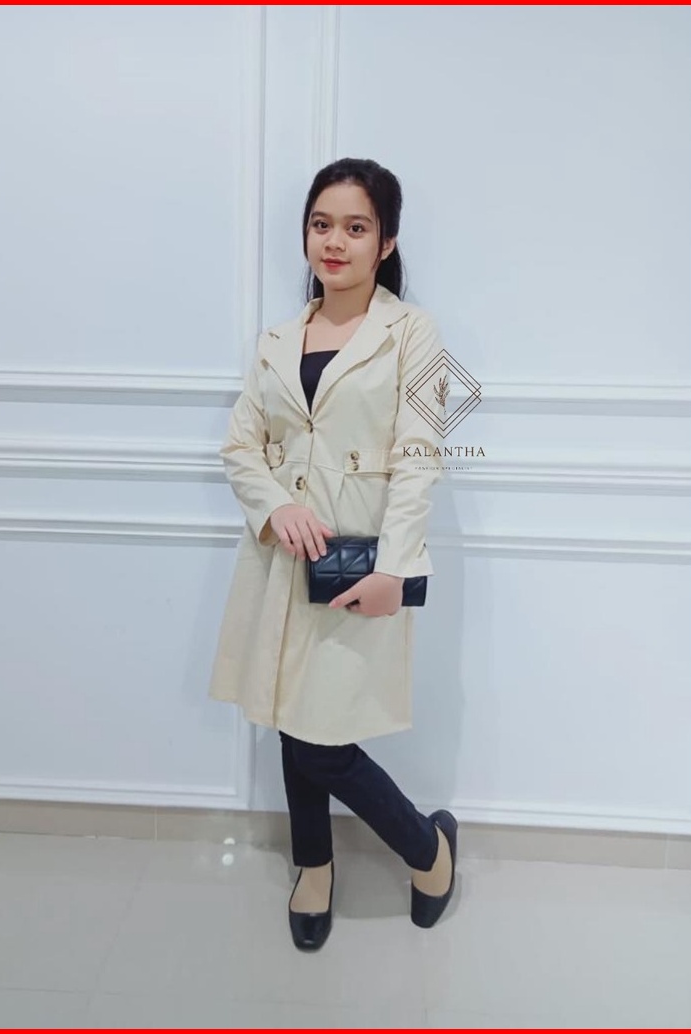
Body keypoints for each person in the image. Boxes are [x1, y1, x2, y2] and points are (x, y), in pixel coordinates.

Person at [208, 158, 457, 951]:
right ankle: (313, 866)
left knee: (322, 737)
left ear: (386, 243)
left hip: (360, 563)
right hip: (283, 562)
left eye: (356, 227)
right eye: (322, 225)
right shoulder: (276, 340)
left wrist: (395, 569)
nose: (335, 242)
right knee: (292, 719)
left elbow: (420, 456)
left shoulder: (413, 333)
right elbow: (241, 445)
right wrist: (275, 504)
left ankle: (427, 848)